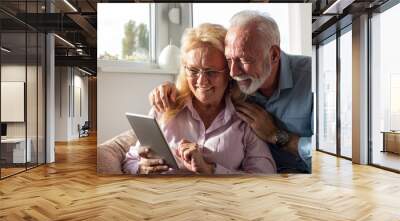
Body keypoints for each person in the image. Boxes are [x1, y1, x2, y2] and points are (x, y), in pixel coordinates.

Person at [149, 11, 313, 173]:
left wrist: (275, 135)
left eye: (244, 59)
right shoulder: (239, 81)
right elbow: (200, 72)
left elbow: (330, 150)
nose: (233, 72)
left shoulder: (312, 77)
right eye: (229, 61)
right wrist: (167, 88)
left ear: (274, 55)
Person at [123, 23, 276, 175]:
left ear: (229, 73)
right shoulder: (165, 106)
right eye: (194, 70)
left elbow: (265, 176)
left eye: (211, 72)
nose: (202, 81)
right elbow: (130, 160)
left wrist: (210, 170)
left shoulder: (245, 119)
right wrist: (141, 168)